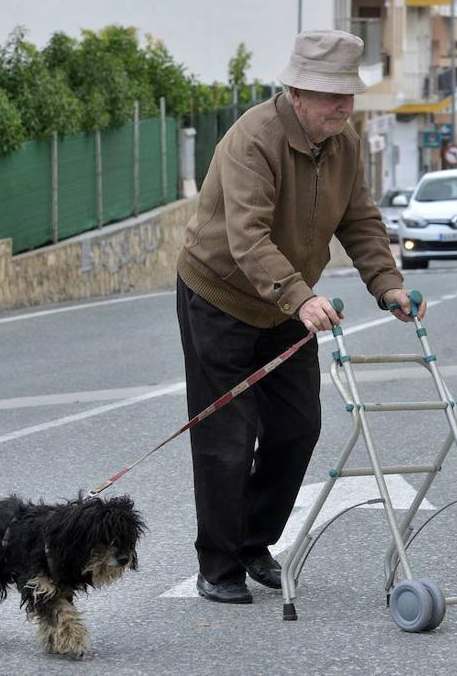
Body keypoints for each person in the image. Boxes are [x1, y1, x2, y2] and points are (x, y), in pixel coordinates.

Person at [174, 29, 425, 604]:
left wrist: (388, 286)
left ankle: (253, 540)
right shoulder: (252, 140)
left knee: (296, 427)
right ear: (295, 90)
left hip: (288, 301)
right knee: (226, 436)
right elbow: (248, 237)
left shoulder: (344, 143)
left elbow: (358, 219)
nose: (343, 105)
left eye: (348, 94)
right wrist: (301, 296)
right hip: (222, 294)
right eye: (330, 94)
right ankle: (218, 565)